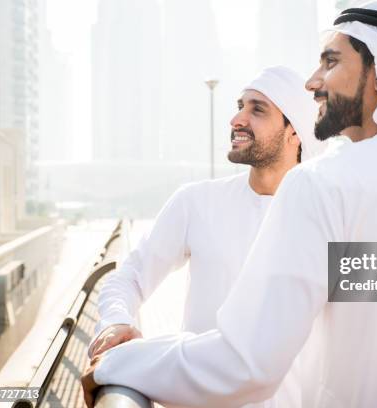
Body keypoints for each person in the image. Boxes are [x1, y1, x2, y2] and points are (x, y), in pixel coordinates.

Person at [83, 2, 377, 407]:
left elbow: (246, 363)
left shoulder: (327, 184)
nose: (312, 81)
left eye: (330, 62)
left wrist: (121, 364)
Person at [85, 65, 322, 408]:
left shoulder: (324, 217)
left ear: (294, 132)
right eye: (240, 105)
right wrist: (115, 322)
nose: (237, 119)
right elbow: (130, 276)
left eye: (257, 109)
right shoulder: (197, 202)